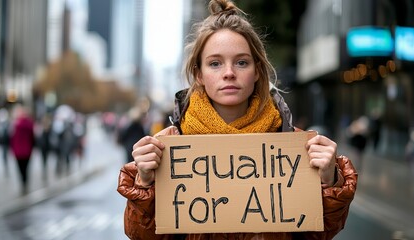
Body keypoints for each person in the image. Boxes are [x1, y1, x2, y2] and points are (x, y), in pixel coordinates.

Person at [117, 0, 358, 239]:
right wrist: (145, 184)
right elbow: (142, 236)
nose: (229, 73)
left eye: (241, 62)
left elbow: (319, 234)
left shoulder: (295, 145)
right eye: (215, 63)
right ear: (199, 74)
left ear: (257, 72)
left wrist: (329, 181)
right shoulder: (166, 147)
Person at [9, 104, 35, 194]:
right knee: (24, 169)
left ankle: (24, 183)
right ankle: (24, 183)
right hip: (23, 150)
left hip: (22, 150)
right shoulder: (27, 123)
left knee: (22, 169)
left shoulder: (17, 124)